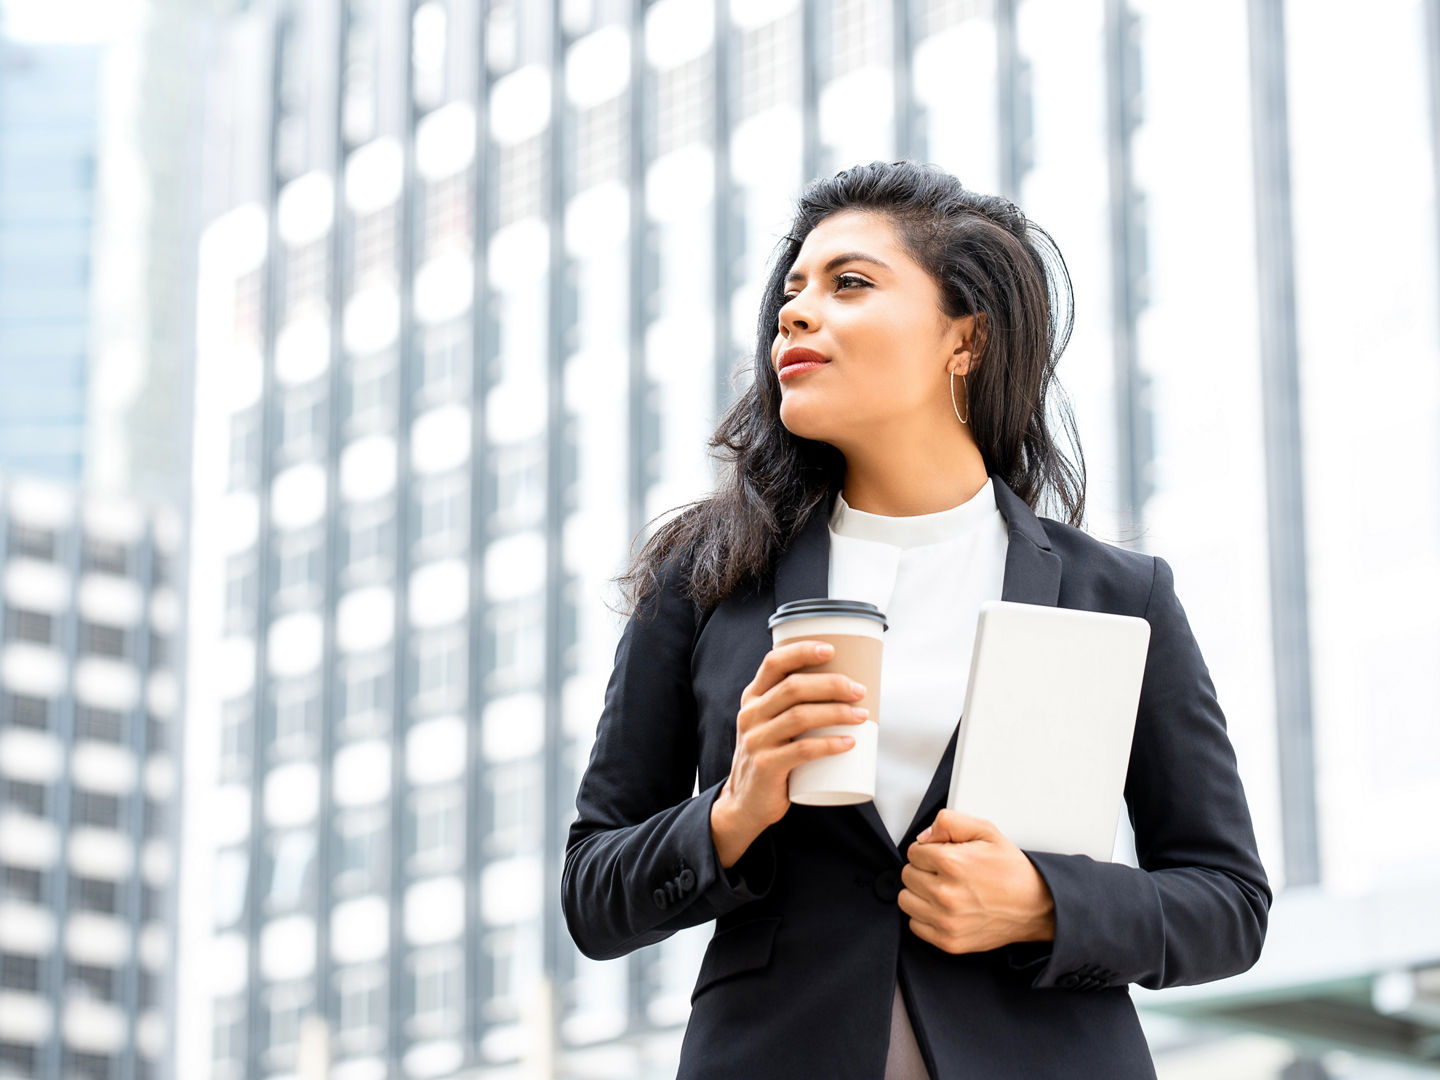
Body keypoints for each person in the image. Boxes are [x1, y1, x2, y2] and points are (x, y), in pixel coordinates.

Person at [561, 160, 1271, 1079]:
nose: (795, 310)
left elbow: (1229, 901)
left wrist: (1045, 902)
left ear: (963, 339)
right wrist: (730, 812)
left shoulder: (1119, 595)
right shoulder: (708, 581)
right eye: (793, 288)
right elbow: (592, 892)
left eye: (849, 282)